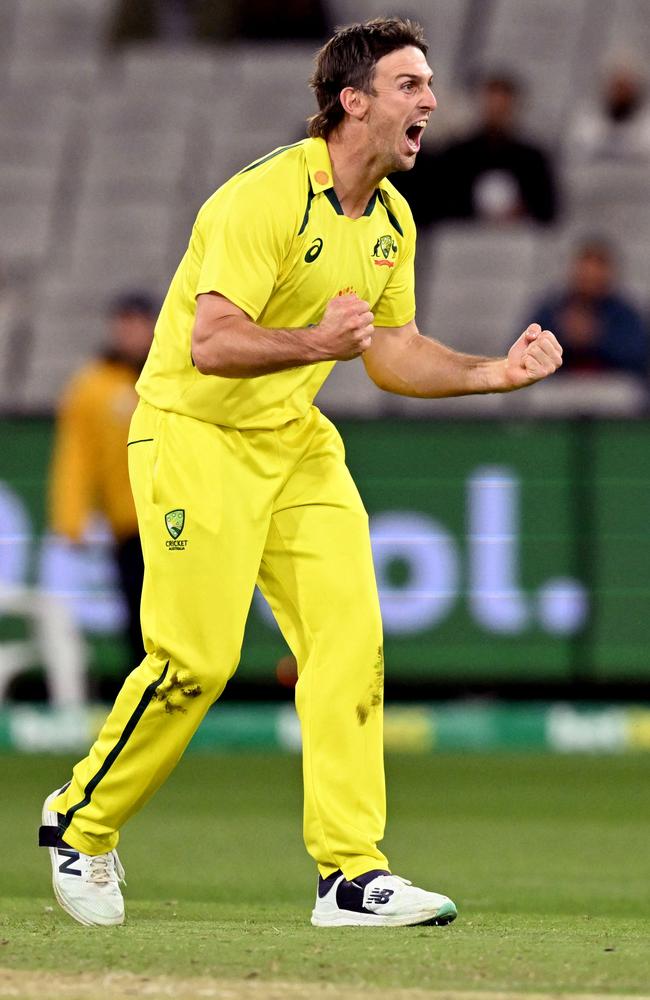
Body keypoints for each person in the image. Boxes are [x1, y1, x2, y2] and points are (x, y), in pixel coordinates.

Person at [39, 18, 562, 930]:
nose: (432, 101)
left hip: (295, 442)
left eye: (430, 84)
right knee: (196, 662)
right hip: (194, 436)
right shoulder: (265, 198)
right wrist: (318, 342)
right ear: (352, 102)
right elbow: (212, 342)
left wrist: (491, 372)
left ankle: (350, 876)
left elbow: (392, 355)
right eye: (411, 85)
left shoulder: (390, 219)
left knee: (349, 642)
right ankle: (82, 824)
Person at [48, 293, 157, 679]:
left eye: (137, 324)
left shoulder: (171, 374)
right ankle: (151, 704)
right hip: (129, 524)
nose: (130, 334)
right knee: (137, 619)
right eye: (123, 325)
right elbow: (76, 457)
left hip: (183, 520)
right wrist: (71, 519)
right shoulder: (93, 387)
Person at [392, 72, 558, 227]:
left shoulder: (532, 160)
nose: (496, 112)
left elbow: (547, 211)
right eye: (492, 104)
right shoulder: (456, 157)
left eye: (502, 106)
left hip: (517, 245)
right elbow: (438, 206)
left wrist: (522, 211)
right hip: (461, 243)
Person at [525, 239, 647, 376]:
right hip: (559, 386)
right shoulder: (551, 309)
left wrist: (596, 338)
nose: (590, 277)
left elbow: (638, 356)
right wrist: (562, 337)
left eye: (596, 274)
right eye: (585, 274)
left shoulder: (625, 314)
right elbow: (525, 353)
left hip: (611, 388)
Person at [566, 64, 650, 165]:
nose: (621, 93)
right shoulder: (587, 124)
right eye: (617, 86)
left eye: (626, 86)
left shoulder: (646, 126)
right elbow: (578, 153)